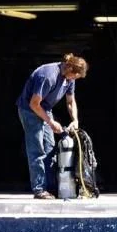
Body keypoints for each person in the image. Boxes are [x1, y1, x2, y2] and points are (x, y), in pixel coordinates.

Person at [16, 53, 87, 199]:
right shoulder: (48, 76)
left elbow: (70, 101)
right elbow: (34, 104)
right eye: (74, 76)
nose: (74, 79)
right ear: (68, 68)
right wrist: (51, 121)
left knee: (50, 147)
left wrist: (75, 119)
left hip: (45, 108)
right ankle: (39, 189)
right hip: (29, 110)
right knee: (36, 149)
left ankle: (52, 187)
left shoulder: (69, 79)